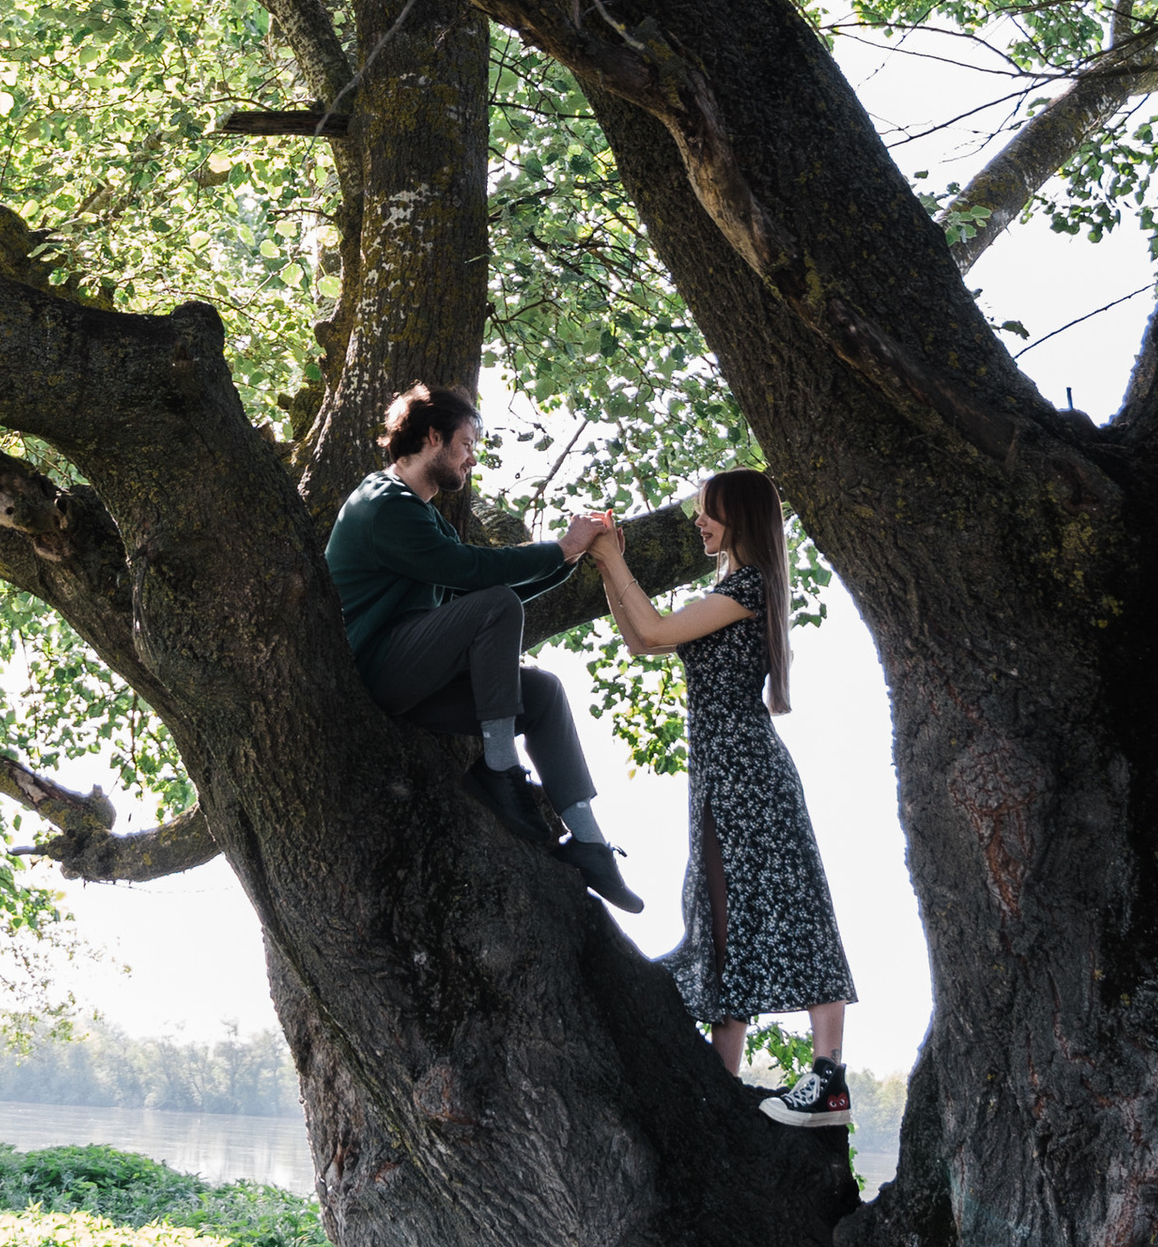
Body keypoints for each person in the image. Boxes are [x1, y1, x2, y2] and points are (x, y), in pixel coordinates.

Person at [586, 469, 858, 1127]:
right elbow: (640, 638)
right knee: (721, 920)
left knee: (789, 903)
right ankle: (721, 1080)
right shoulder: (729, 589)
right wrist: (605, 566)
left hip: (746, 771)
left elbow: (655, 632)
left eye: (708, 511)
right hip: (720, 774)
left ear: (740, 517)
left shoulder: (748, 585)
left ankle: (829, 1075)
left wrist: (615, 559)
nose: (699, 522)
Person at [327, 381, 644, 913]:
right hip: (376, 669)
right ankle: (500, 769)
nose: (472, 458)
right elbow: (472, 574)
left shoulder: (423, 516)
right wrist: (560, 546)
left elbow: (468, 589)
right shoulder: (381, 502)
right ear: (434, 436)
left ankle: (590, 845)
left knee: (541, 691)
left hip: (415, 680)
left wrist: (568, 558)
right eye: (467, 444)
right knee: (496, 603)